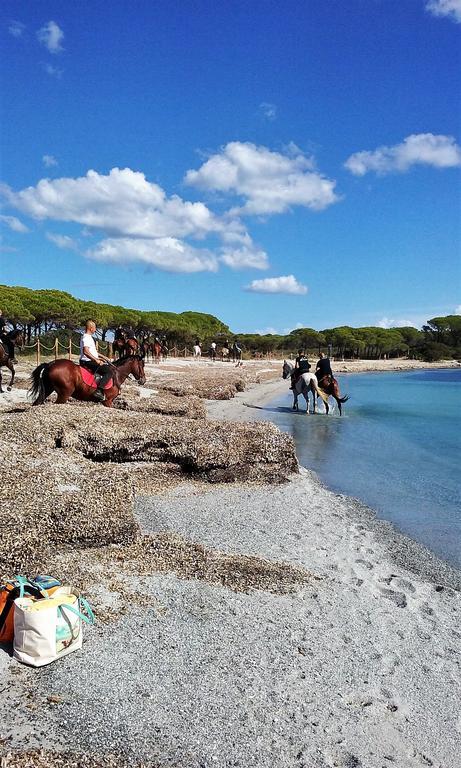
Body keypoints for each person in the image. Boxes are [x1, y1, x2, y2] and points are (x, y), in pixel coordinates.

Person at [79, 320, 113, 402]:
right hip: (87, 361)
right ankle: (99, 391)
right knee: (109, 372)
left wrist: (103, 357)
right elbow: (86, 351)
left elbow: (93, 352)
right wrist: (96, 360)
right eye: (95, 328)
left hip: (90, 360)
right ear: (91, 328)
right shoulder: (86, 337)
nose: (95, 329)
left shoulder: (89, 337)